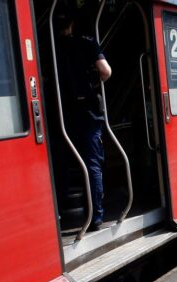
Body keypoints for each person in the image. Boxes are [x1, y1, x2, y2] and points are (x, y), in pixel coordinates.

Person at [55, 12, 113, 230]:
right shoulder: (87, 43)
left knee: (61, 162)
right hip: (88, 111)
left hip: (62, 112)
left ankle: (59, 213)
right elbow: (106, 71)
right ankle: (96, 216)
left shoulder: (48, 47)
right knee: (92, 163)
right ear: (71, 23)